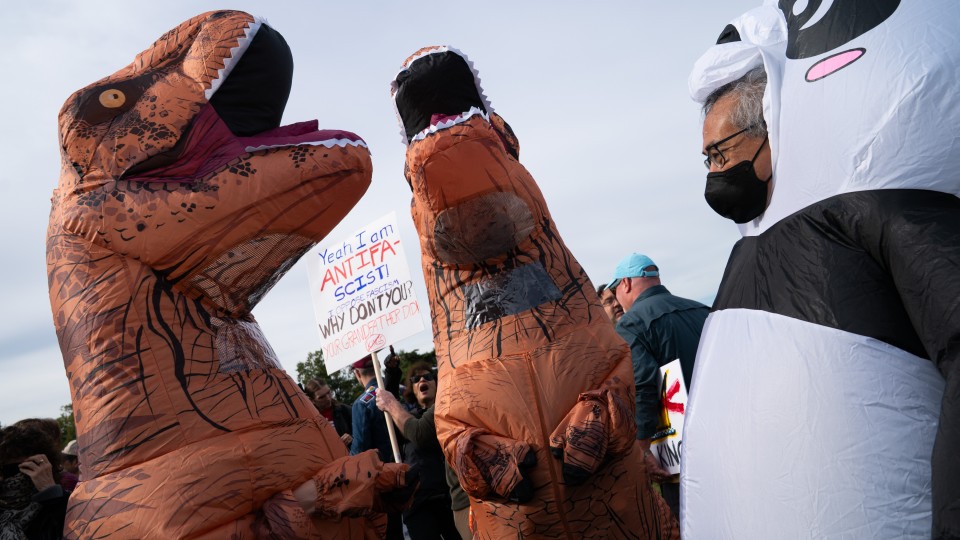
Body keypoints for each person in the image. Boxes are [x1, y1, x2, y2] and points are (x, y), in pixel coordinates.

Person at [683, 5, 960, 538]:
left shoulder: (875, 214)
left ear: (769, 127)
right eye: (707, 159)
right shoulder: (747, 252)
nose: (714, 173)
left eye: (720, 152)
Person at [607, 253, 708, 520]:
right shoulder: (703, 310)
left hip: (679, 458)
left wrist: (641, 448)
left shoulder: (631, 324)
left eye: (615, 290)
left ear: (626, 283)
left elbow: (644, 386)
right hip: (724, 437)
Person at [377, 362, 460, 539]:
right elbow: (391, 408)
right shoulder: (406, 419)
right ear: (412, 390)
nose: (422, 380)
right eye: (416, 379)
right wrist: (392, 372)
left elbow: (421, 431)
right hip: (419, 504)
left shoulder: (449, 411)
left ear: (437, 383)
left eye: (428, 377)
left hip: (451, 499)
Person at [350, 354, 403, 539]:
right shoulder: (397, 390)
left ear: (357, 374)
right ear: (378, 365)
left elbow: (359, 451)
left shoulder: (361, 404)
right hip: (411, 472)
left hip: (383, 483)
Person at [0, 423, 70, 539]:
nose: (4, 477)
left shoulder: (63, 504)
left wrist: (51, 493)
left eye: (27, 467)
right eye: (3, 469)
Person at [304, 379, 353, 448]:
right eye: (322, 397)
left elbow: (362, 433)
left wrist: (352, 437)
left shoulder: (345, 410)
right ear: (311, 400)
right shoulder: (309, 421)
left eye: (328, 392)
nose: (328, 398)